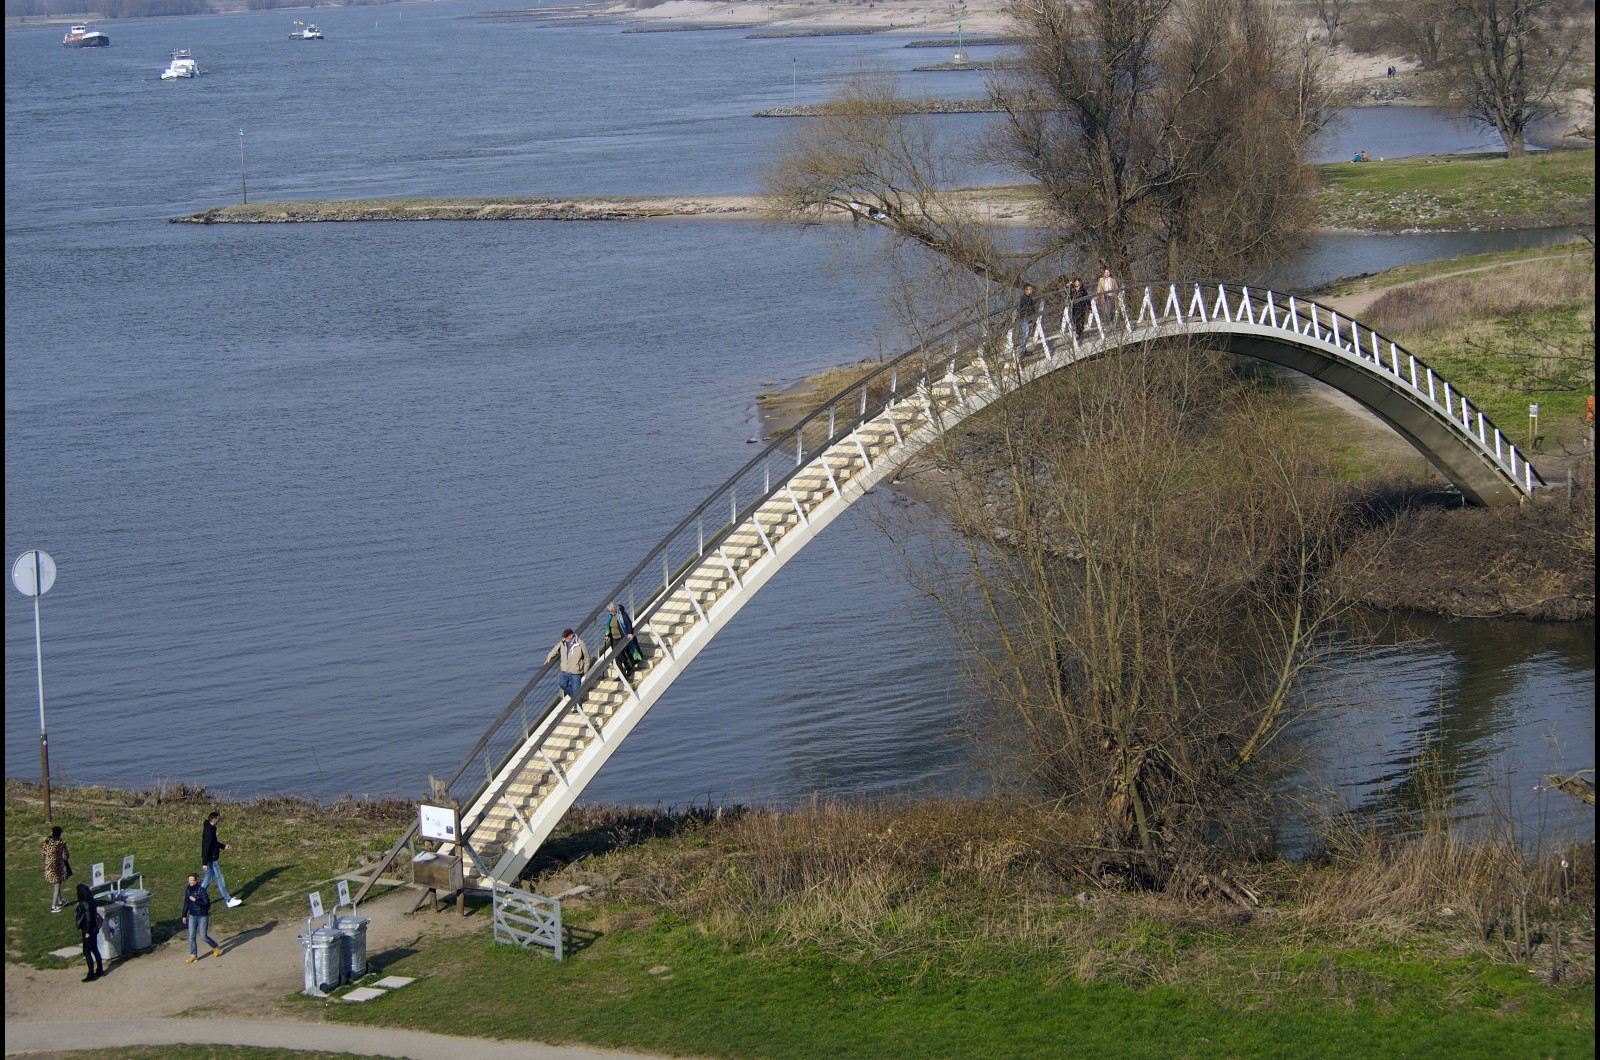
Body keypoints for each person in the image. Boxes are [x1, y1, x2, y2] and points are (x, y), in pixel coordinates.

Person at [200, 811, 243, 908]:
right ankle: (228, 900)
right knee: (219, 879)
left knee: (207, 880)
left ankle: (196, 896)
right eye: (218, 819)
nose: (219, 821)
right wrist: (204, 863)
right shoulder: (208, 831)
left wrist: (223, 846)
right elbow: (206, 847)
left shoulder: (211, 829)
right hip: (211, 859)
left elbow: (214, 843)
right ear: (214, 819)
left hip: (210, 859)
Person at [181, 873, 221, 963]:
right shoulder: (187, 890)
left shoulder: (201, 890)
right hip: (192, 916)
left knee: (203, 936)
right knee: (191, 936)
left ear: (197, 881)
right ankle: (193, 955)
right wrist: (184, 915)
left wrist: (195, 900)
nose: (190, 882)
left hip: (202, 915)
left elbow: (207, 904)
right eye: (189, 880)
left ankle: (215, 946)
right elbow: (186, 903)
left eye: (192, 880)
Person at [602, 602, 644, 682]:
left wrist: (630, 633)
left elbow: (629, 624)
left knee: (620, 654)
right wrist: (607, 635)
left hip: (622, 637)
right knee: (617, 657)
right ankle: (623, 673)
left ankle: (628, 668)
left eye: (611, 611)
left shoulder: (622, 615)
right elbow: (608, 627)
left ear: (614, 610)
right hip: (614, 639)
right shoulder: (610, 617)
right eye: (609, 611)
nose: (610, 613)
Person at [545, 628, 589, 702]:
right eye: (564, 637)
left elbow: (586, 658)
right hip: (565, 671)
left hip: (576, 672)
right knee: (562, 685)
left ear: (571, 636)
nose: (565, 638)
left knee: (576, 690)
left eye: (566, 637)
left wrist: (585, 671)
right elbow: (555, 649)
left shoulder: (580, 644)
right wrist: (549, 656)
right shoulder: (563, 643)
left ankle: (578, 706)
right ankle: (576, 698)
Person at [73, 883, 105, 982]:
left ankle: (91, 974)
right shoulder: (92, 900)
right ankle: (100, 970)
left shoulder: (84, 903)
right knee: (95, 949)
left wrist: (87, 932)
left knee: (87, 952)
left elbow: (87, 918)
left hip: (89, 930)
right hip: (95, 928)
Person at [43, 824, 72, 913]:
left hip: (49, 866)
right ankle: (54, 906)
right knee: (57, 886)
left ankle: (61, 901)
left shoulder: (47, 841)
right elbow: (65, 856)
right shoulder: (60, 842)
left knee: (57, 884)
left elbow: (43, 853)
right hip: (57, 867)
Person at [1015, 282, 1038, 348]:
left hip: (1027, 317)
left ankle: (1023, 347)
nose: (1031, 291)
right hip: (1023, 317)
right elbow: (1026, 309)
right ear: (1025, 290)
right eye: (1029, 289)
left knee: (1026, 332)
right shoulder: (1024, 298)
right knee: (1025, 332)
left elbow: (1031, 309)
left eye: (1031, 289)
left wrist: (1031, 319)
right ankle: (1022, 348)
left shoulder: (1029, 298)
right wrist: (1030, 320)